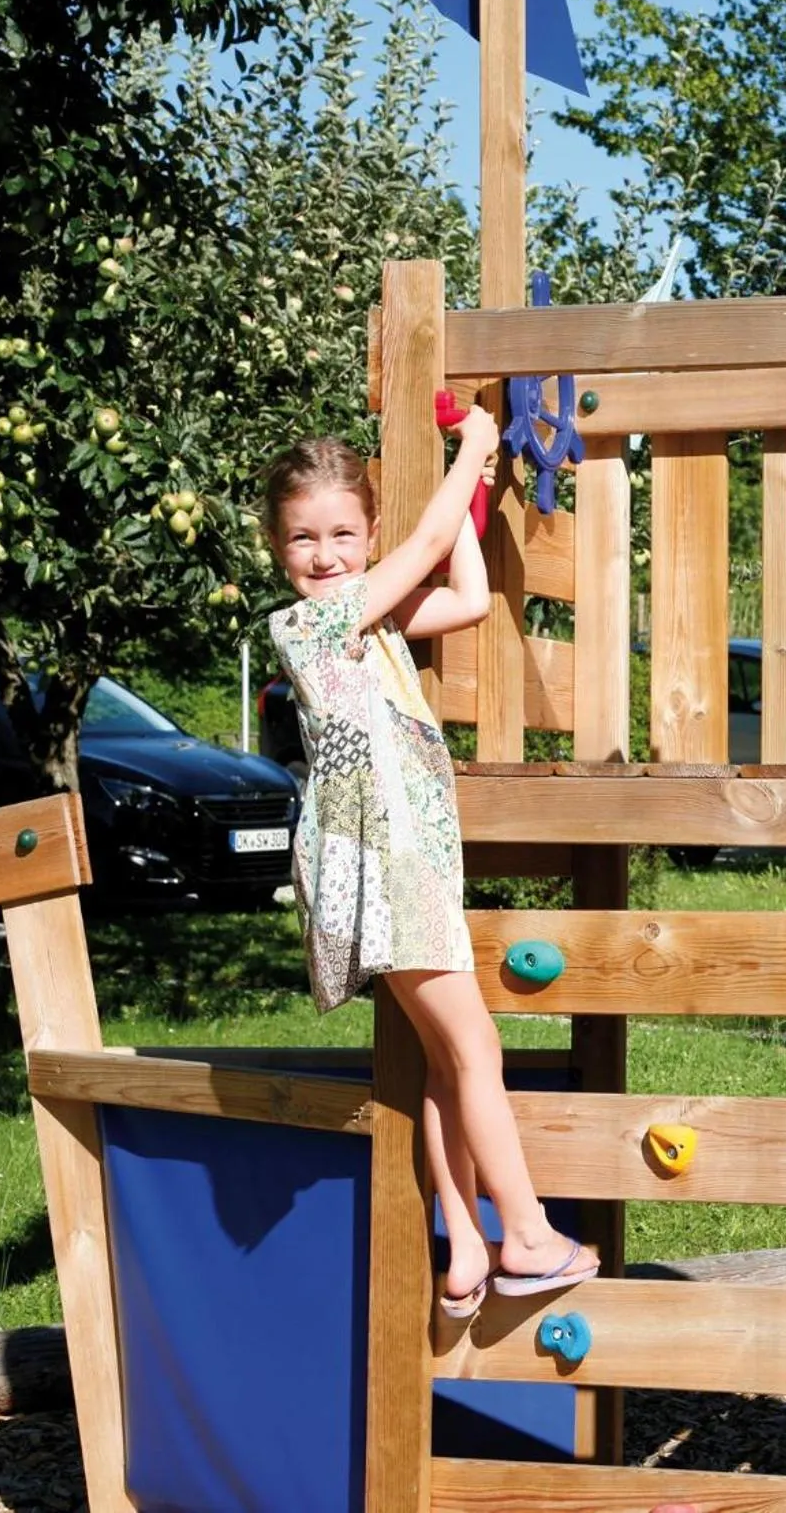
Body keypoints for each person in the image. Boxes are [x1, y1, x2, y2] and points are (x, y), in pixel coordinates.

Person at [263, 416, 597, 1316]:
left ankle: (464, 1250)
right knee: (478, 1048)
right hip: (391, 868)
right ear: (276, 546)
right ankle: (526, 1233)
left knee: (451, 1064)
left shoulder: (369, 625)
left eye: (342, 535)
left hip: (407, 864)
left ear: (364, 537)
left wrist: (477, 500)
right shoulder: (308, 624)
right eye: (303, 537)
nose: (325, 554)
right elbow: (428, 542)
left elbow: (469, 596)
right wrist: (476, 445)